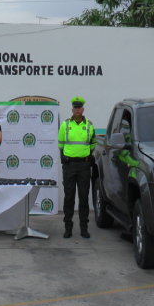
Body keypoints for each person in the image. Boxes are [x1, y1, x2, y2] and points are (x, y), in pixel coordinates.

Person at [58, 96, 96, 239]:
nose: (77, 109)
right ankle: (68, 228)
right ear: (72, 109)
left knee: (84, 198)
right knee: (69, 197)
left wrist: (88, 157)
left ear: (83, 109)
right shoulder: (66, 124)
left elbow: (92, 143)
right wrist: (63, 156)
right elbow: (61, 143)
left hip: (84, 166)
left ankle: (84, 228)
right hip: (69, 165)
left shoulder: (90, 125)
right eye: (75, 107)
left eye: (79, 107)